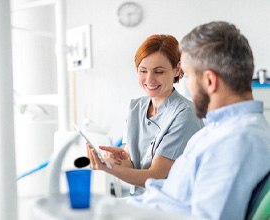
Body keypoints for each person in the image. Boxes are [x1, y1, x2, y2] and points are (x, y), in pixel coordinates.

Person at [123, 21, 270, 220]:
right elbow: (170, 193)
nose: (186, 86)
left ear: (210, 81)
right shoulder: (218, 131)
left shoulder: (237, 141)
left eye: (188, 76)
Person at [87, 34, 204, 196]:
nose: (149, 79)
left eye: (158, 71)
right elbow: (132, 164)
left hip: (169, 207)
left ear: (177, 70)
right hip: (141, 201)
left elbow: (155, 176)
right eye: (143, 71)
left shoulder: (185, 113)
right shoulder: (136, 107)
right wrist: (119, 160)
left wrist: (109, 168)